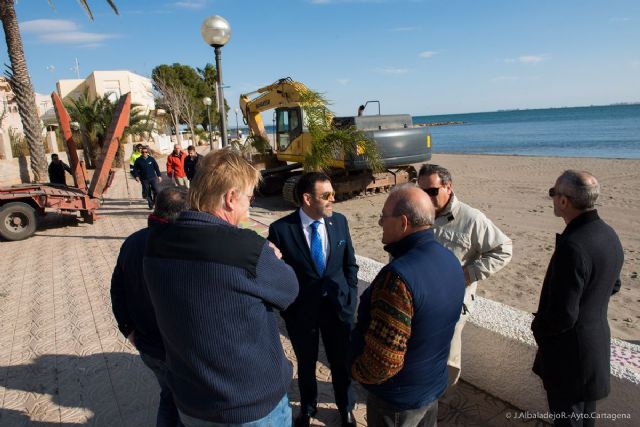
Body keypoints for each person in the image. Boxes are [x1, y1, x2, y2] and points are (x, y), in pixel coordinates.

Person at [144, 148, 299, 426]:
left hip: (192, 403)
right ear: (230, 198)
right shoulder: (246, 249)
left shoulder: (156, 243)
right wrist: (270, 256)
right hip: (249, 406)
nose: (248, 209)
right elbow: (289, 290)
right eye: (248, 199)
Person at [350, 185, 465, 427]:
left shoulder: (398, 278)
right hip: (431, 387)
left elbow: (383, 362)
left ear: (403, 223)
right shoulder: (450, 260)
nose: (380, 222)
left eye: (384, 216)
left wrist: (354, 369)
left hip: (398, 402)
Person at [531, 170, 623, 427]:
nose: (552, 198)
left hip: (569, 359)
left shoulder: (573, 246)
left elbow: (563, 316)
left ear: (563, 201)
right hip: (594, 348)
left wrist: (537, 326)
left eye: (553, 193)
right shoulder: (608, 234)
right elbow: (613, 285)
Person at [268, 172, 359, 427]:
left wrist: (350, 297)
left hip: (338, 308)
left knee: (341, 362)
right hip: (301, 312)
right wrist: (288, 309)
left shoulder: (339, 222)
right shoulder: (281, 230)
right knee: (306, 363)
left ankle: (346, 407)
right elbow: (276, 276)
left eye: (333, 193)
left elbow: (349, 264)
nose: (333, 199)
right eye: (326, 195)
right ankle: (308, 408)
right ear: (307, 198)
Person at [417, 164, 512, 386]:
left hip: (452, 303)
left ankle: (439, 397)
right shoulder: (418, 212)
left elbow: (503, 249)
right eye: (422, 192)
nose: (426, 197)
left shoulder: (471, 219)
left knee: (446, 358)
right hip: (420, 299)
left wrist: (468, 274)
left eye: (431, 191)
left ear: (448, 187)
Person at [111, 187, 189, 427]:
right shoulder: (182, 245)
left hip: (149, 347)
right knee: (184, 405)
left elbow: (117, 291)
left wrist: (128, 330)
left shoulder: (133, 242)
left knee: (168, 397)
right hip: (178, 351)